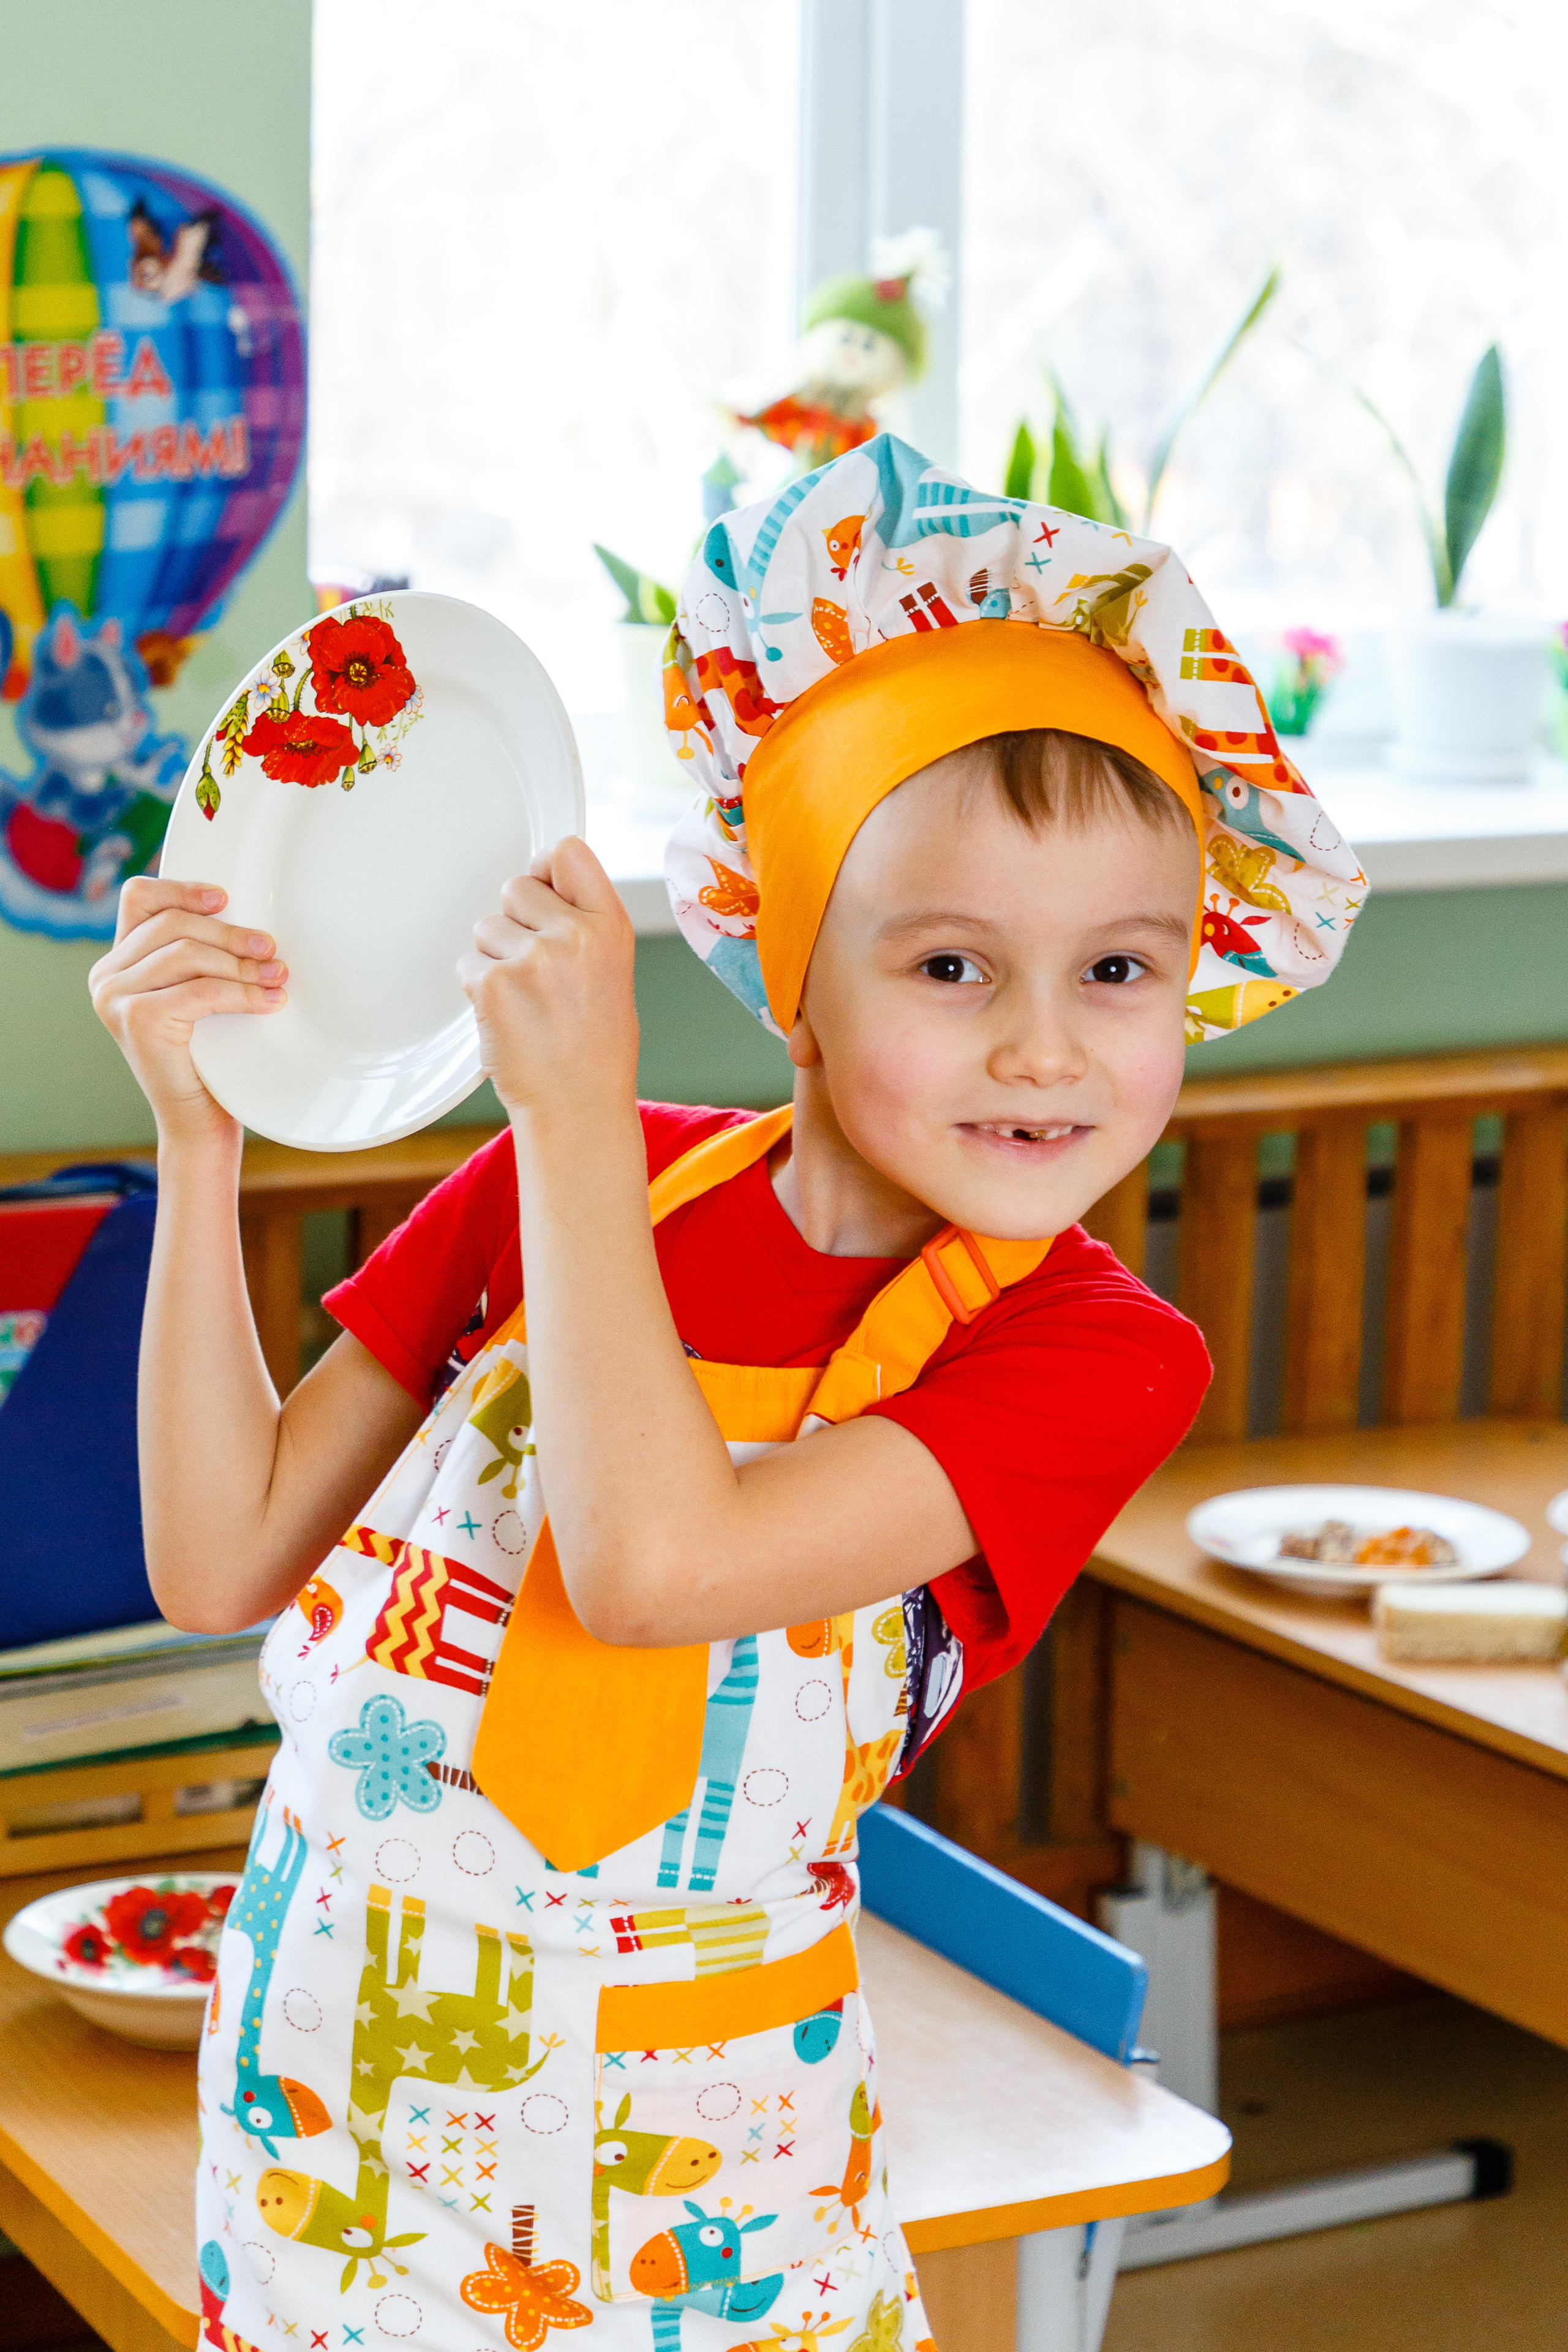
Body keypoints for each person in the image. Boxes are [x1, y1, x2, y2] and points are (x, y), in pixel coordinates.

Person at [89, 435, 1363, 2352]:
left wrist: (571, 1123)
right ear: (793, 971)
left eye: (1121, 969)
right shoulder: (557, 1181)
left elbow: (660, 1571)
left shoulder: (1090, 1349)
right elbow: (217, 1558)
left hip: (686, 2232)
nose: (1045, 1045)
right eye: (950, 962)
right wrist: (196, 1140)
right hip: (318, 2170)